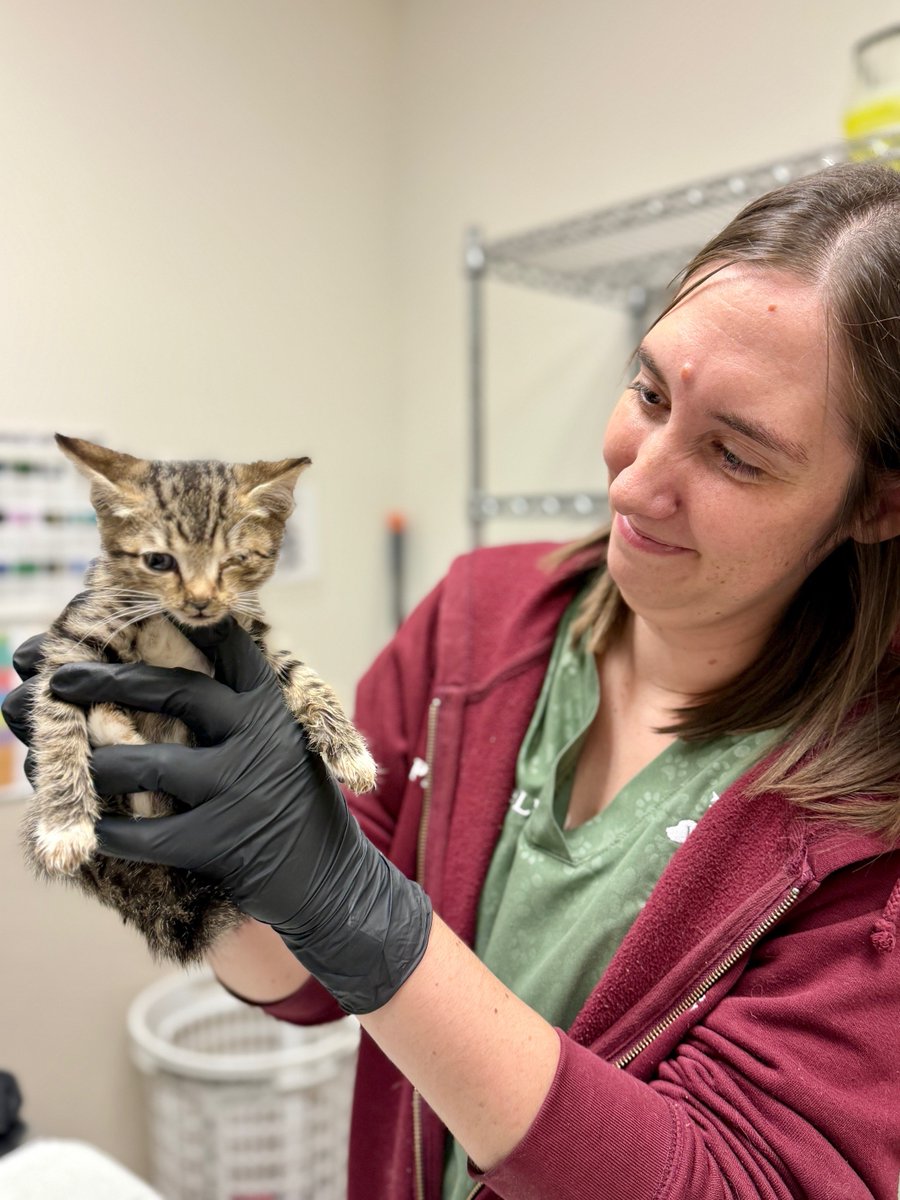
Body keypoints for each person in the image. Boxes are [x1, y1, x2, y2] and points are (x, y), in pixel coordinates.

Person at [5, 159, 900, 1200]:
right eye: (648, 392)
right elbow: (297, 987)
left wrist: (357, 912)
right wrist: (212, 856)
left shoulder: (867, 822)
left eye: (736, 456)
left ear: (876, 503)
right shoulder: (480, 622)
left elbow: (724, 1181)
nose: (637, 478)